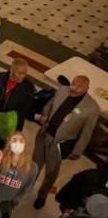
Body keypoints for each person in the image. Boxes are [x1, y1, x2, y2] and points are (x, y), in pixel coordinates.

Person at [32, 75, 98, 208]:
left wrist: (77, 151)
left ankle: (42, 195)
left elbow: (87, 133)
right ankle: (27, 187)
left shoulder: (92, 108)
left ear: (87, 88)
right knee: (34, 164)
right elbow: (49, 104)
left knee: (51, 171)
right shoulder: (62, 90)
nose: (74, 88)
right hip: (45, 133)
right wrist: (44, 114)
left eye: (79, 87)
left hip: (60, 144)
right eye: (73, 84)